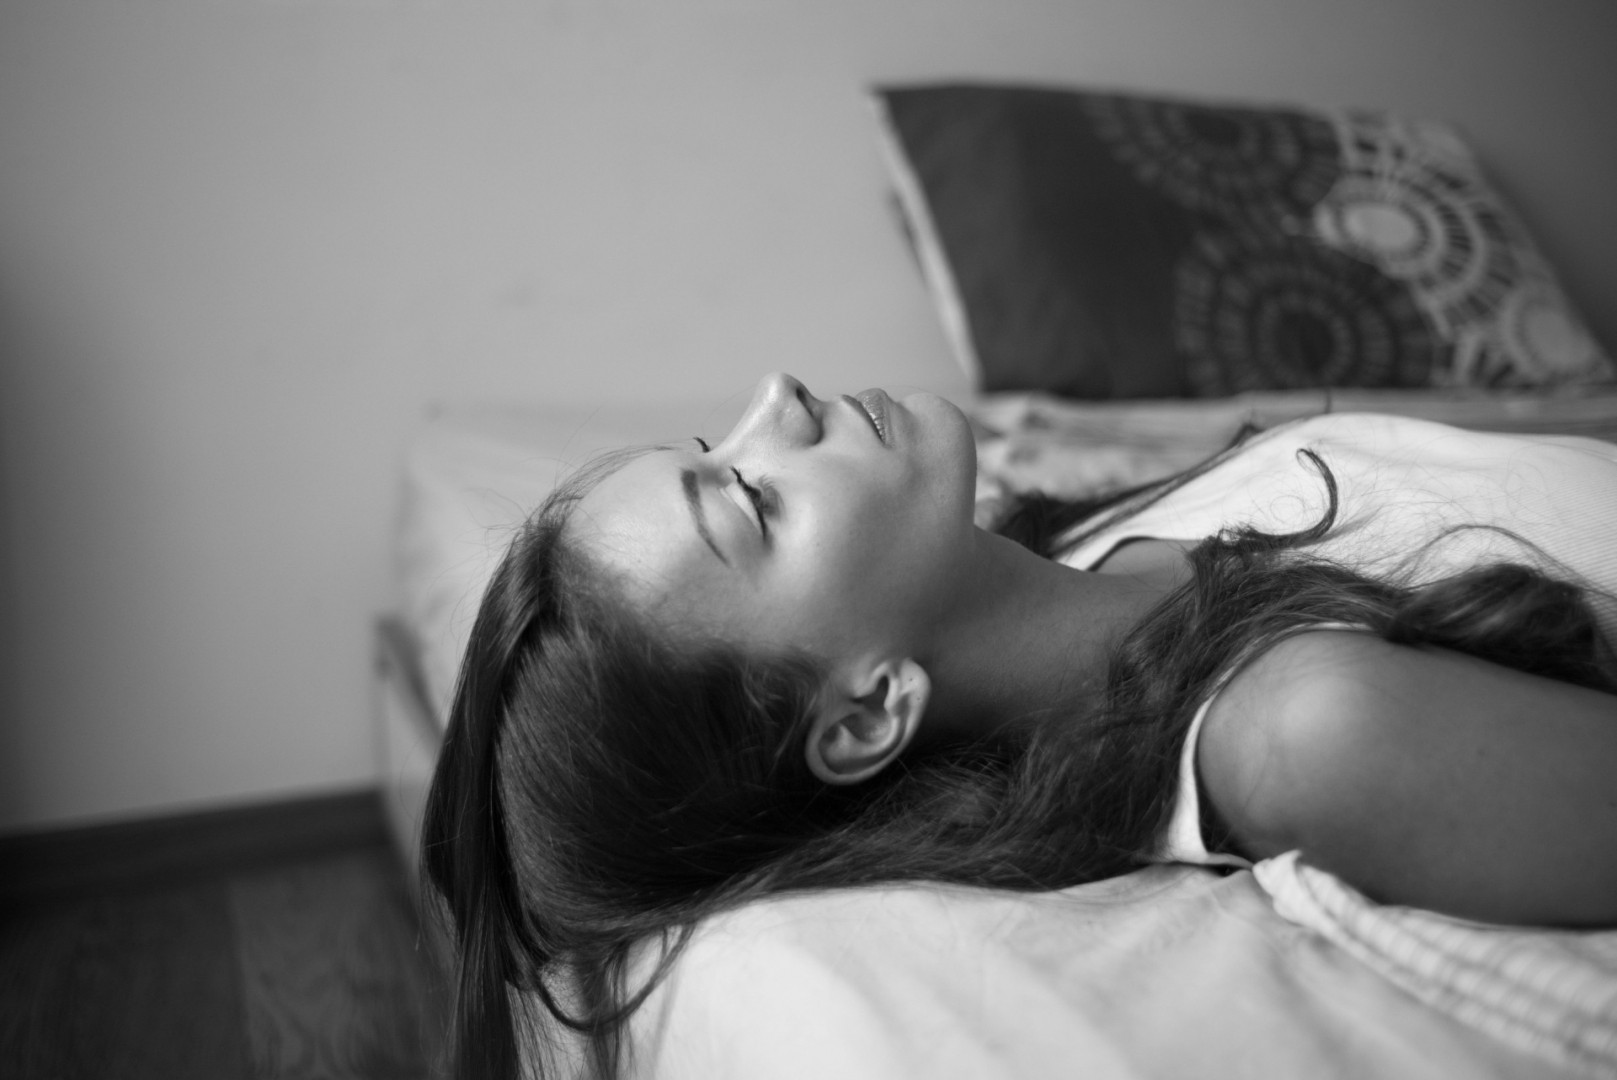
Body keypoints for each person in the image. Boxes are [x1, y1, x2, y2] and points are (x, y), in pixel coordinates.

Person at [422, 372, 1617, 1080]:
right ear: (869, 711)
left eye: (710, 448)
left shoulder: (1080, 543)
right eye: (750, 498)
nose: (774, 399)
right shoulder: (1304, 730)